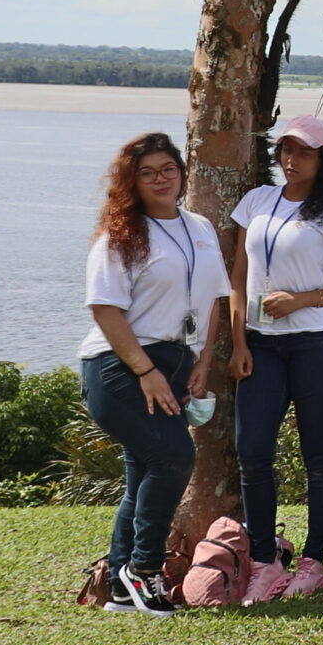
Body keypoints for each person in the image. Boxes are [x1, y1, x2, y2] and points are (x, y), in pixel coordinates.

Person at [81, 133, 228, 615]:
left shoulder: (200, 226)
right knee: (172, 456)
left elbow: (212, 303)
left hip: (177, 362)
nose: (160, 179)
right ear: (133, 182)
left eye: (168, 169)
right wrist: (144, 371)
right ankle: (143, 570)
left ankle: (120, 589)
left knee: (145, 469)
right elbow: (105, 310)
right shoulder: (121, 235)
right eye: (147, 173)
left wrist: (202, 364)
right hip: (120, 366)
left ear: (182, 173)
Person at [227, 114, 323, 589]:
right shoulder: (256, 201)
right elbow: (236, 277)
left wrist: (300, 301)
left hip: (316, 343)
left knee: (317, 455)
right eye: (287, 149)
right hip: (262, 345)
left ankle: (314, 562)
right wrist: (239, 341)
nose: (292, 159)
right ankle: (266, 560)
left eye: (305, 152)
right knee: (252, 450)